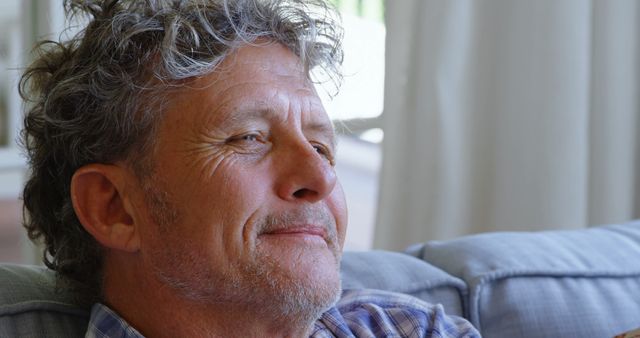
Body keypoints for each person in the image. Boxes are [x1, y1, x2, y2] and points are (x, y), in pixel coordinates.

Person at [19, 0, 480, 337]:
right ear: (114, 208)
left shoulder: (410, 329)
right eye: (249, 138)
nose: (320, 179)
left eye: (321, 147)